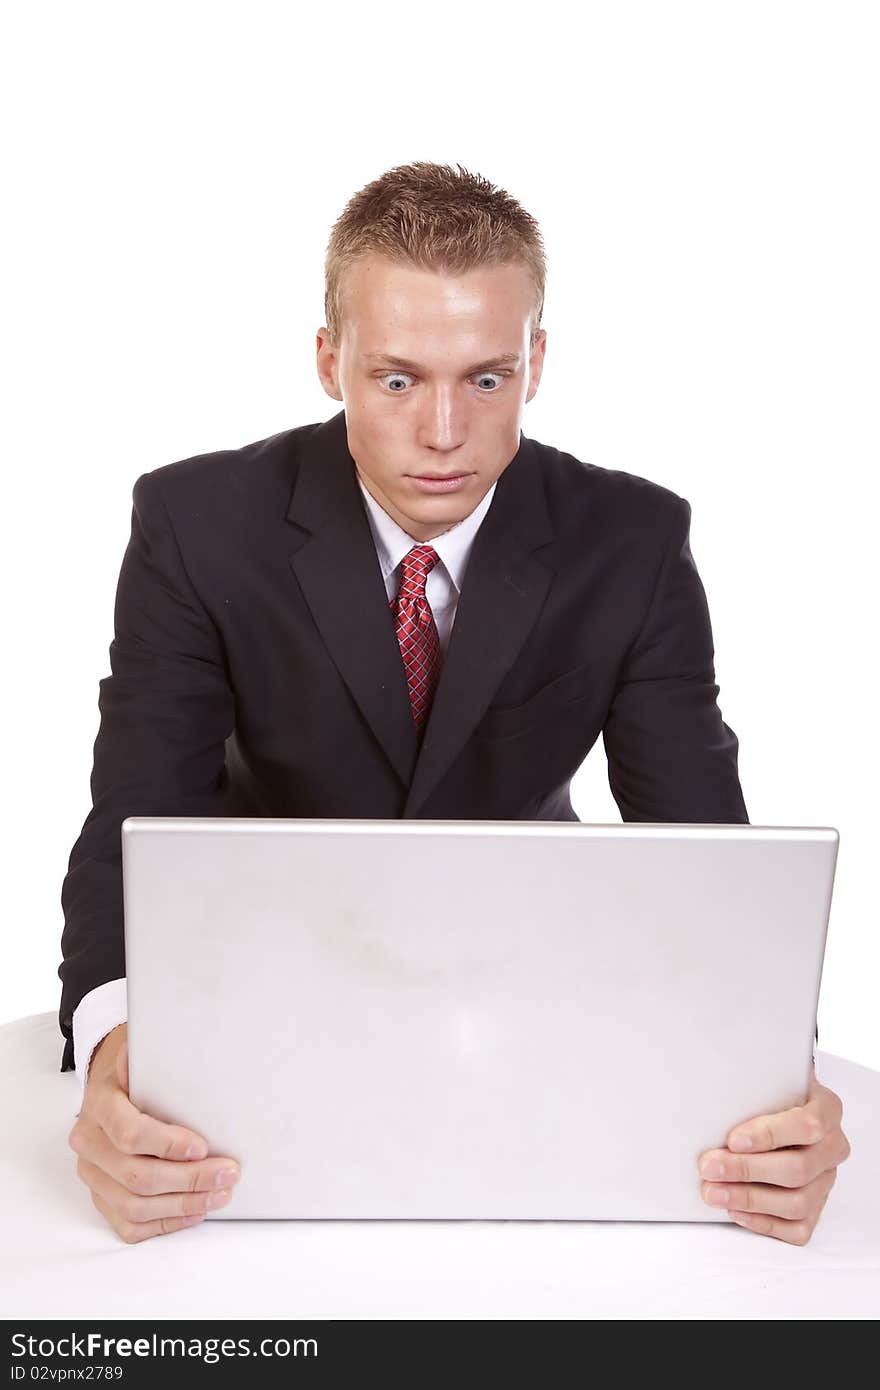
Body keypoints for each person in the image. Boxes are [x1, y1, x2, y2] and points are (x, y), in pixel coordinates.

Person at [60, 160, 850, 1246]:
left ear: (536, 363)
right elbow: (131, 816)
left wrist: (778, 1087)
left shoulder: (632, 541)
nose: (443, 432)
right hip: (263, 972)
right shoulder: (197, 522)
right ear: (329, 360)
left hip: (527, 990)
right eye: (395, 380)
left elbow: (706, 852)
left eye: (485, 379)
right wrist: (112, 1054)